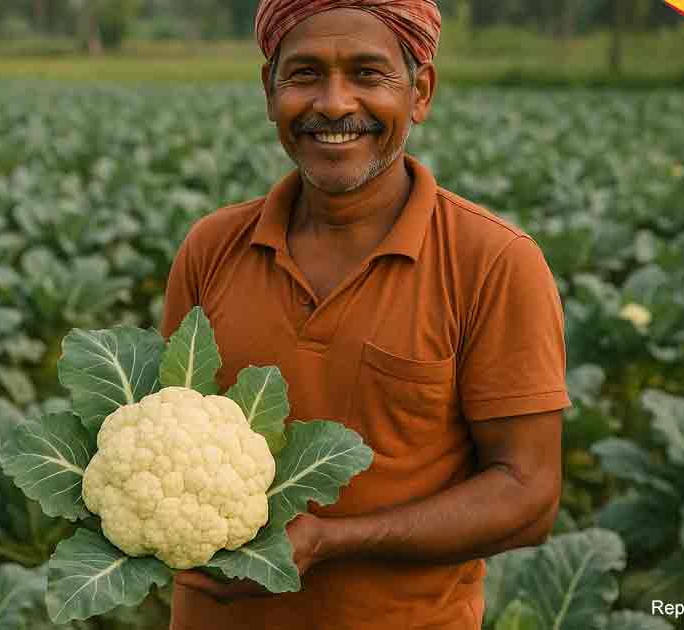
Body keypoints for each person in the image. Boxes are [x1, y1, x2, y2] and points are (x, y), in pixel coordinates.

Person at [159, 1, 570, 628]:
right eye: (303, 75)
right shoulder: (211, 247)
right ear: (269, 93)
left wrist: (333, 541)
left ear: (421, 92)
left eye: (368, 74)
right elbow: (166, 432)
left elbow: (528, 495)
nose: (334, 103)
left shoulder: (494, 263)